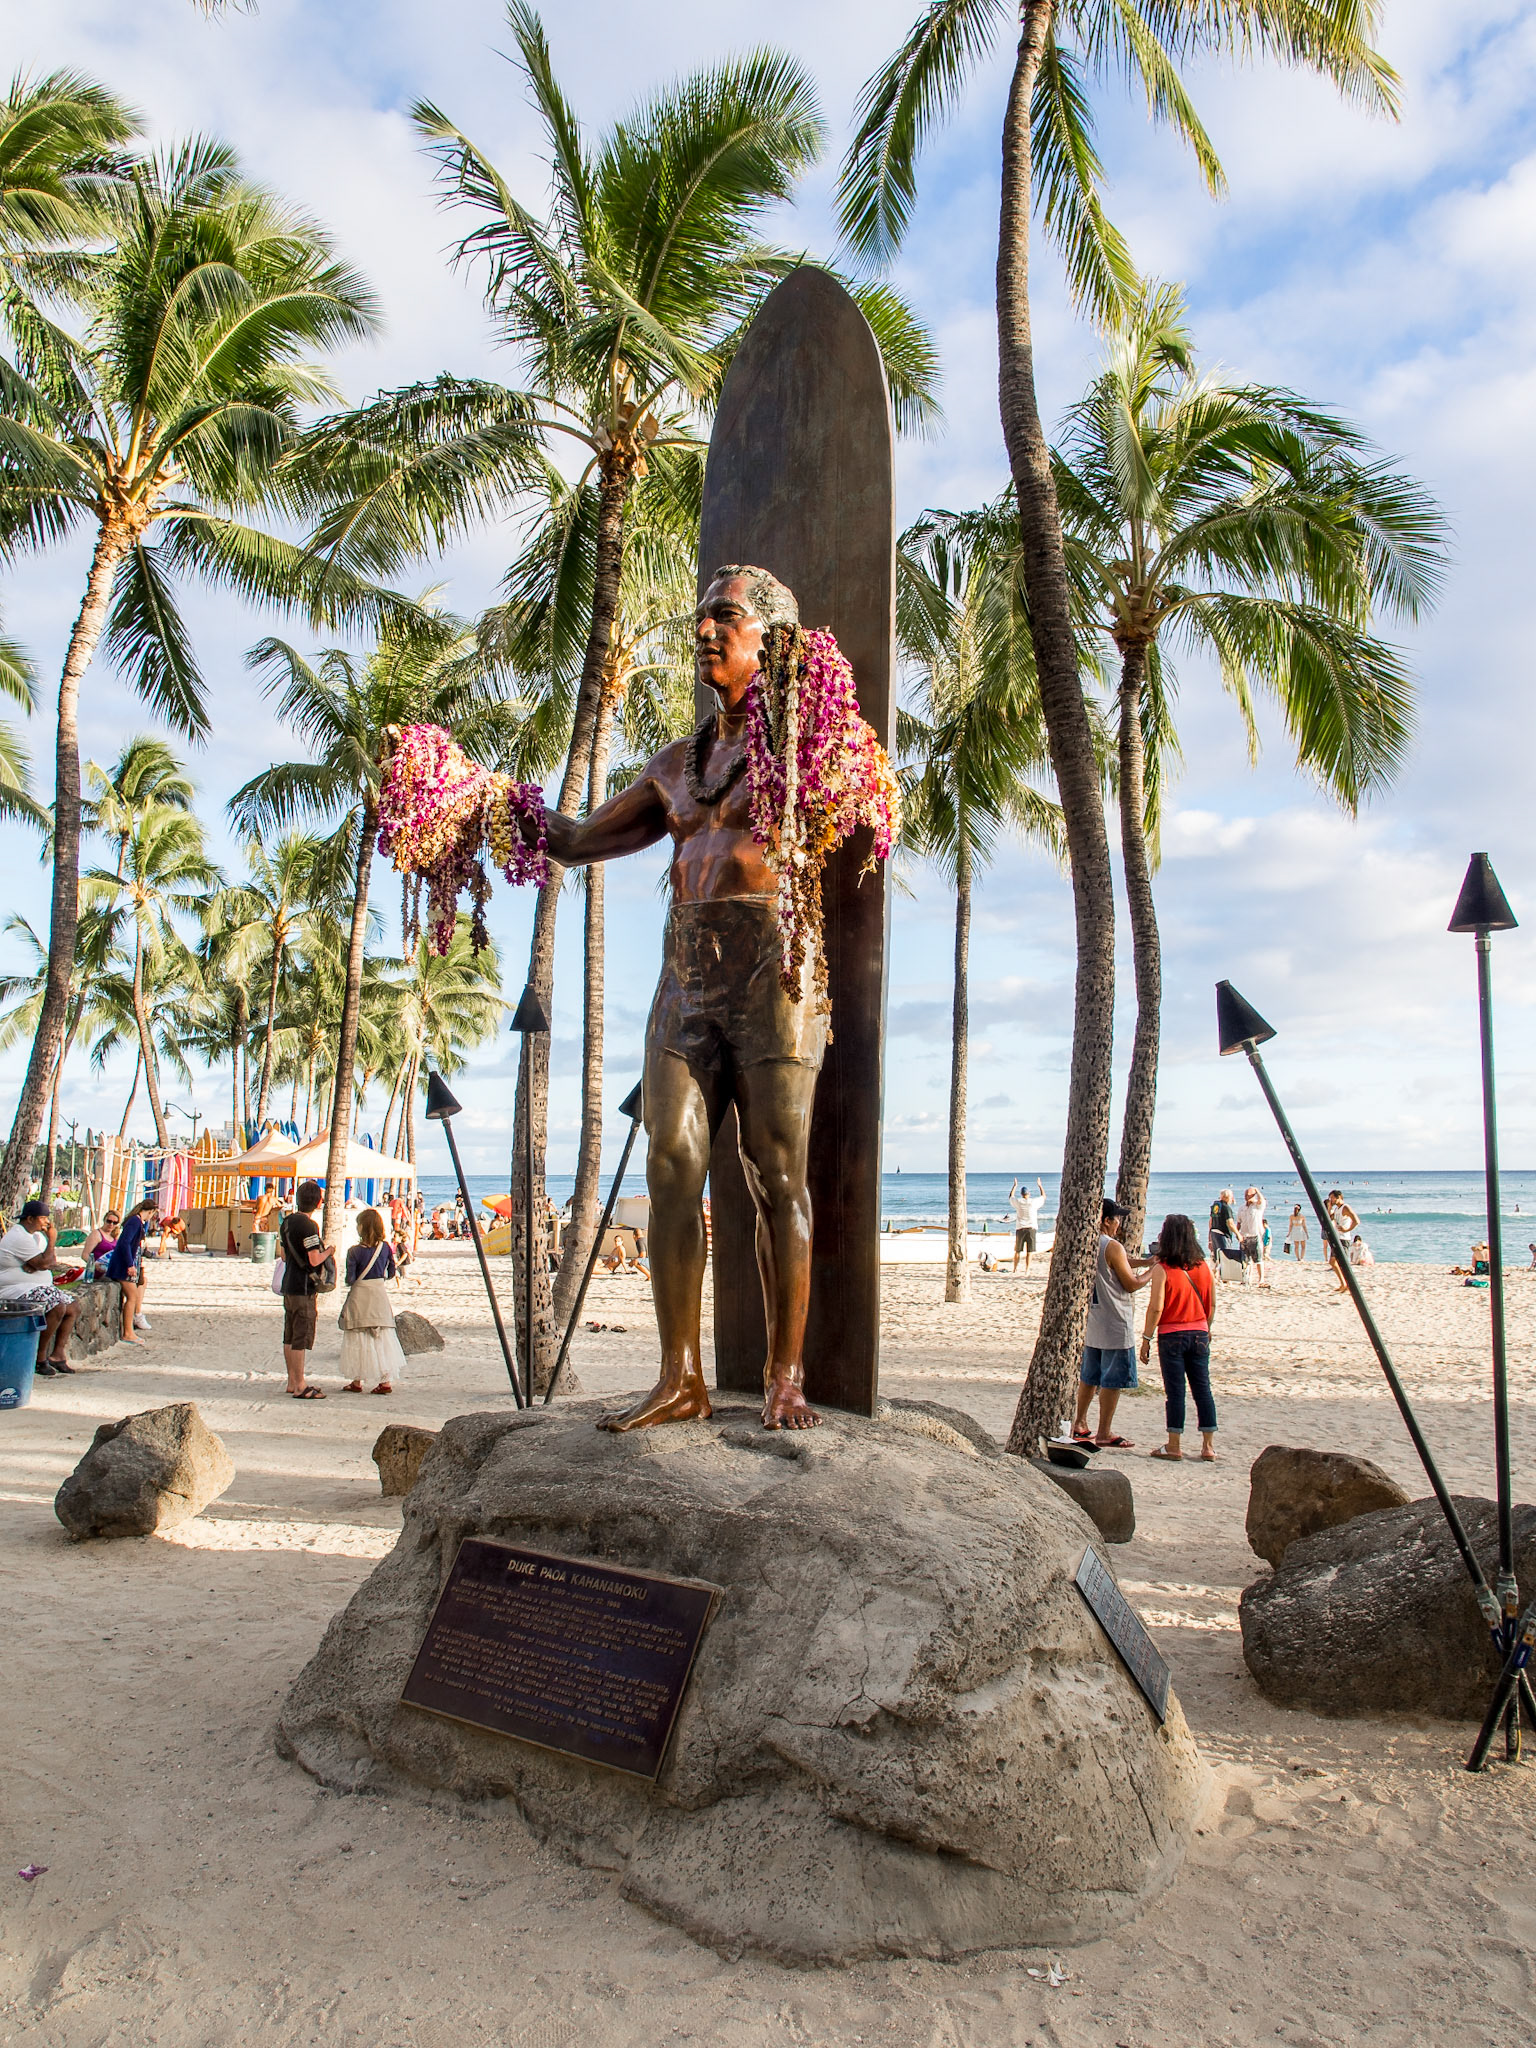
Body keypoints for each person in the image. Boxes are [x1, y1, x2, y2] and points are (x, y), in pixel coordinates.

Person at [517, 565, 840, 1432]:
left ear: (768, 638)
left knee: (776, 1175)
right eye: (699, 619)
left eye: (724, 619)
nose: (703, 633)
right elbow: (579, 841)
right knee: (670, 1160)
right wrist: (493, 805)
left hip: (774, 969)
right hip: (686, 971)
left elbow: (863, 810)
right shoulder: (675, 768)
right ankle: (681, 1377)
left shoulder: (813, 743)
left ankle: (783, 1375)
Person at [1073, 1198, 1154, 1448]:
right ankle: (1104, 1431)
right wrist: (1154, 1272)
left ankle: (1080, 1423)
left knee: (1090, 1376)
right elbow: (1130, 1284)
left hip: (1093, 1321)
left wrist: (1144, 1262)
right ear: (1106, 1220)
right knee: (1112, 1380)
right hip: (1115, 1320)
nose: (1119, 1223)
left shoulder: (1088, 1243)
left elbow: (1117, 1264)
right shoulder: (1112, 1245)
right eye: (1116, 1218)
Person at [1138, 1212, 1217, 1462]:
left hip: (1171, 1334)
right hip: (1199, 1332)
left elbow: (1156, 1307)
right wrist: (1207, 1326)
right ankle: (1208, 1446)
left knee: (1175, 1392)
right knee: (1203, 1389)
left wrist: (1146, 1338)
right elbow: (1211, 1304)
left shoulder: (1162, 1269)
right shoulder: (1203, 1266)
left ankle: (1174, 1445)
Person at [0, 1199, 81, 1376]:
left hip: (34, 1286)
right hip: (15, 1289)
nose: (47, 1222)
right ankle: (39, 1357)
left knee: (73, 1306)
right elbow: (45, 1262)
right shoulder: (18, 1236)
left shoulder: (35, 1237)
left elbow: (49, 1261)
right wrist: (52, 1239)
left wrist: (39, 1264)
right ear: (30, 1218)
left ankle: (57, 1355)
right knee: (57, 1305)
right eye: (43, 1218)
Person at [338, 1208, 406, 1395]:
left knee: (358, 1335)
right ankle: (385, 1381)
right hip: (378, 1294)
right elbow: (391, 1272)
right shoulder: (385, 1247)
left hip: (360, 1295)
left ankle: (357, 1381)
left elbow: (350, 1278)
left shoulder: (354, 1252)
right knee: (381, 1335)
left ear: (362, 1227)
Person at [279, 1179, 334, 1399]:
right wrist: (328, 1252)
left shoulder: (287, 1222)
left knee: (289, 1335)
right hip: (303, 1287)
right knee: (300, 1336)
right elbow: (313, 1259)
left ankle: (292, 1381)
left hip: (288, 1283)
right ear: (318, 1202)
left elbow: (283, 1255)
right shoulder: (309, 1226)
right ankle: (301, 1385)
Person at [106, 1197, 158, 1346]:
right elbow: (125, 1243)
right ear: (150, 1211)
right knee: (132, 1296)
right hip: (123, 1265)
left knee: (132, 1296)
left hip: (127, 1263)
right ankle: (128, 1332)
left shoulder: (136, 1221)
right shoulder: (135, 1221)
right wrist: (129, 1265)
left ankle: (128, 1331)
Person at [1008, 1176, 1047, 1274]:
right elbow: (1043, 1197)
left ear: (1021, 1194)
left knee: (1017, 1251)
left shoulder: (1018, 1202)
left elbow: (1010, 1197)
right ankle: (1027, 1270)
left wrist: (1014, 1186)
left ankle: (1015, 1269)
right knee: (1029, 1251)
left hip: (1020, 1228)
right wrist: (1040, 1186)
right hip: (1031, 1228)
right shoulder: (1033, 1202)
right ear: (1028, 1194)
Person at [1323, 1189, 1359, 1292]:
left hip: (1343, 1239)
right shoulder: (1337, 1209)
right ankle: (1343, 1283)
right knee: (1333, 1262)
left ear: (1338, 1197)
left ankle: (1348, 1284)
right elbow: (1328, 1219)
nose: (1331, 1200)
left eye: (1332, 1198)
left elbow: (1356, 1221)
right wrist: (1329, 1207)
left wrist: (1347, 1229)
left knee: (1342, 1263)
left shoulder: (1345, 1207)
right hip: (1337, 1238)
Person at [1237, 1185, 1268, 1287]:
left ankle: (1261, 1279)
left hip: (1255, 1235)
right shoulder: (1242, 1208)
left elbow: (1262, 1200)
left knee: (1258, 1259)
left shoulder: (1257, 1206)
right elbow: (1239, 1222)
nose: (1247, 1196)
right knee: (1245, 1260)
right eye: (1246, 1194)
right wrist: (1238, 1234)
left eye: (1249, 1194)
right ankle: (1246, 1278)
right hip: (1244, 1235)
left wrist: (1257, 1191)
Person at [1207, 1188, 1238, 1269]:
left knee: (1217, 1257)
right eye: (1231, 1197)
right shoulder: (1226, 1208)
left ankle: (1216, 1275)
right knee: (1225, 1256)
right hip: (1222, 1234)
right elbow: (1230, 1223)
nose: (1232, 1199)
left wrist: (1209, 1237)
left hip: (1214, 1233)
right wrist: (1238, 1234)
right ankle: (1225, 1277)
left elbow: (1210, 1221)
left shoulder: (1215, 1207)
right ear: (1227, 1197)